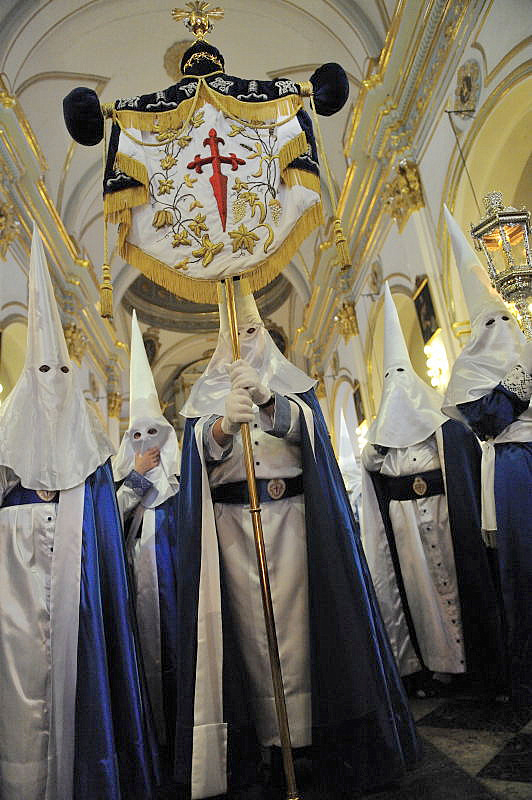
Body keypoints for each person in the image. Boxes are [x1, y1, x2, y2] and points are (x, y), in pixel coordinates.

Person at [174, 280, 419, 799]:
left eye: (252, 330)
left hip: (296, 528)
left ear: (265, 334)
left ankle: (314, 739)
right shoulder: (203, 403)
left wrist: (270, 404)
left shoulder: (297, 390)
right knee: (251, 638)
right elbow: (195, 460)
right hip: (235, 534)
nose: (244, 341)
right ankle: (266, 742)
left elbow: (311, 434)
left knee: (306, 631)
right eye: (234, 333)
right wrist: (218, 429)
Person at [0, 224, 157, 800]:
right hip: (10, 613)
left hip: (78, 610)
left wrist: (134, 479)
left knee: (78, 701)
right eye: (43, 370)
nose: (55, 382)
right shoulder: (4, 449)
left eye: (64, 370)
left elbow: (107, 533)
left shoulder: (90, 456)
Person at [361, 283, 504, 698]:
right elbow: (370, 471)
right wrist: (380, 444)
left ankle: (478, 663)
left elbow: (462, 464)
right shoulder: (379, 441)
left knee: (461, 584)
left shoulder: (445, 426)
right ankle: (439, 667)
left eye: (402, 374)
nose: (398, 385)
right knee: (423, 598)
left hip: (446, 515)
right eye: (390, 377)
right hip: (407, 530)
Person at [442, 206, 532, 705]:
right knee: (526, 570)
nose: (502, 328)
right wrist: (522, 377)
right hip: (515, 465)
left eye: (507, 318)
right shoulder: (469, 370)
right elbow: (487, 420)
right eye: (490, 321)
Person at [113, 309, 181, 757]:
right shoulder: (122, 482)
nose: (145, 441)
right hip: (138, 587)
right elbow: (110, 523)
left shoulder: (181, 483)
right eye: (136, 434)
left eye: (153, 432)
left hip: (177, 589)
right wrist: (134, 478)